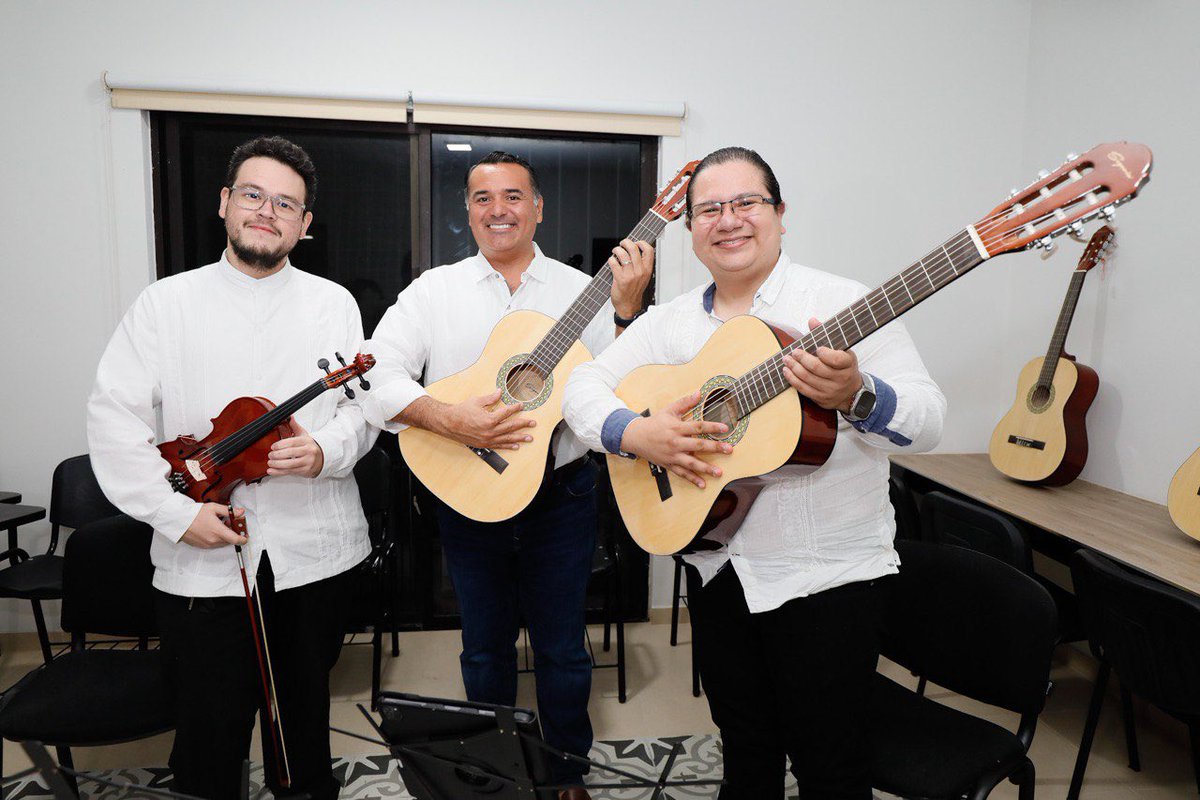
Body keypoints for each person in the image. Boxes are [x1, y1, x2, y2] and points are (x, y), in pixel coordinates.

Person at [562, 146, 946, 799]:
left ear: (779, 214)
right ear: (691, 230)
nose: (728, 220)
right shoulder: (672, 322)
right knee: (745, 749)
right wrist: (636, 432)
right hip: (719, 567)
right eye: (709, 209)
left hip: (828, 579)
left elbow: (930, 422)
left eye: (746, 203)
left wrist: (858, 392)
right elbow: (582, 386)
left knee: (831, 766)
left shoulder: (842, 303)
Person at [88, 136, 376, 800]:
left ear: (304, 226)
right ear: (225, 203)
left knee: (304, 731)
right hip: (204, 559)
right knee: (209, 737)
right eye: (253, 194)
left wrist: (326, 451)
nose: (266, 212)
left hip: (314, 556)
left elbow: (364, 411)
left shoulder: (333, 303)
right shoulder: (165, 304)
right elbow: (112, 417)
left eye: (286, 204)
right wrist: (176, 514)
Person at [360, 151, 652, 800]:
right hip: (468, 494)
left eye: (514, 196)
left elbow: (629, 383)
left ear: (538, 207)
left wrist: (628, 308)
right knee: (484, 649)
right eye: (483, 197)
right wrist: (448, 418)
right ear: (467, 210)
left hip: (563, 496)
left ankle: (566, 771)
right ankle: (494, 769)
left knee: (563, 650)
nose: (499, 210)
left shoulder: (584, 292)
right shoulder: (434, 291)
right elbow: (374, 377)